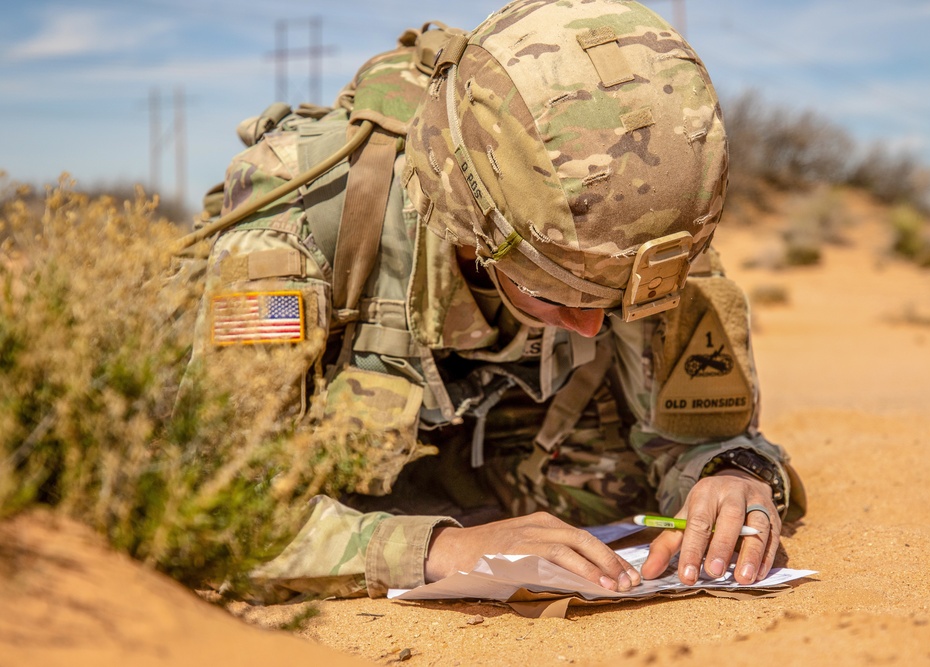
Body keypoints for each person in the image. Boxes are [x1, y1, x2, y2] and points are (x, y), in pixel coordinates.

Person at [182, 0, 805, 602]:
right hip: (333, 476)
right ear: (471, 226)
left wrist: (731, 473)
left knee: (616, 480)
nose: (590, 325)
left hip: (498, 458)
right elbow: (213, 508)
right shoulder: (295, 233)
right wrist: (442, 551)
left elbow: (702, 435)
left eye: (616, 304)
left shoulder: (639, 234)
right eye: (553, 294)